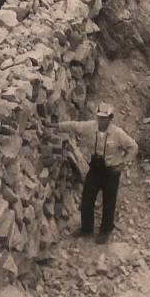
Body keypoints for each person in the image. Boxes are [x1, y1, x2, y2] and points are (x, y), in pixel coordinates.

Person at [56, 102, 138, 244]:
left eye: (104, 118)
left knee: (109, 201)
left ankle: (105, 230)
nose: (101, 121)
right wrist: (57, 126)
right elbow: (75, 126)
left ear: (110, 118)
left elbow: (133, 147)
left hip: (111, 171)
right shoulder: (90, 127)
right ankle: (86, 228)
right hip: (95, 168)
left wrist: (124, 164)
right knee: (87, 197)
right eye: (99, 117)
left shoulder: (118, 133)